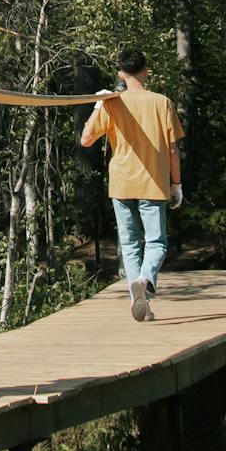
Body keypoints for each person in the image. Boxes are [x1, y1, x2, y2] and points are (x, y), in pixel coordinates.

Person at [80, 49, 186, 321]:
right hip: (153, 183)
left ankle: (140, 303)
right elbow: (173, 150)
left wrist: (98, 105)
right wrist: (177, 184)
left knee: (129, 245)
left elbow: (86, 139)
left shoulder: (112, 103)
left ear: (120, 74)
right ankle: (145, 279)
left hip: (122, 184)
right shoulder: (162, 103)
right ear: (146, 72)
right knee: (157, 243)